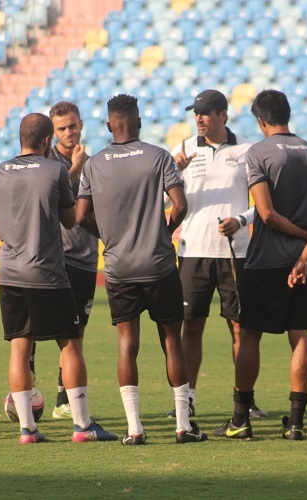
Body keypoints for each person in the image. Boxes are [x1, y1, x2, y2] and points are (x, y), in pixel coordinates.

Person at [0, 113, 117, 444]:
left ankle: (27, 429)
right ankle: (83, 426)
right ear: (46, 141)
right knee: (70, 345)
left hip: (10, 274)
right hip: (47, 274)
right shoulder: (56, 169)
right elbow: (71, 221)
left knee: (19, 348)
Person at [76, 94, 207, 445]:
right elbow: (180, 204)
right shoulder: (158, 156)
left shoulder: (94, 164)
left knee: (126, 342)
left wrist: (108, 236)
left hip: (119, 268)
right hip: (159, 265)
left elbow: (78, 216)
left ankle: (135, 429)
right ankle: (183, 426)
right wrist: (163, 232)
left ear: (108, 125)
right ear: (139, 122)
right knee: (171, 340)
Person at [215, 89, 307, 440]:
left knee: (250, 334)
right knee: (299, 335)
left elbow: (265, 214)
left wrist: (300, 238)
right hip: (302, 262)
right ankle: (296, 423)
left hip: (265, 261)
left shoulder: (258, 153)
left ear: (260, 120)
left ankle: (241, 420)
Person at [166, 89, 265, 419]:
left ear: (223, 114)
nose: (199, 118)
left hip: (236, 253)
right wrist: (175, 173)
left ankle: (244, 401)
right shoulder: (181, 151)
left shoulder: (248, 151)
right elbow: (165, 202)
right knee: (190, 327)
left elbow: (261, 204)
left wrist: (242, 220)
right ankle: (187, 399)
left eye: (206, 112)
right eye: (196, 112)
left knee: (239, 328)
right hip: (193, 251)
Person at [45, 101, 96, 420]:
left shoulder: (93, 163)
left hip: (85, 259)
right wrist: (74, 170)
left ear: (81, 124)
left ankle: (63, 399)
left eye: (73, 126)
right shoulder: (44, 163)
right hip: (54, 258)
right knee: (35, 332)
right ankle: (24, 394)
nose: (69, 132)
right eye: (62, 128)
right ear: (52, 132)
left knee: (77, 334)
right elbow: (49, 201)